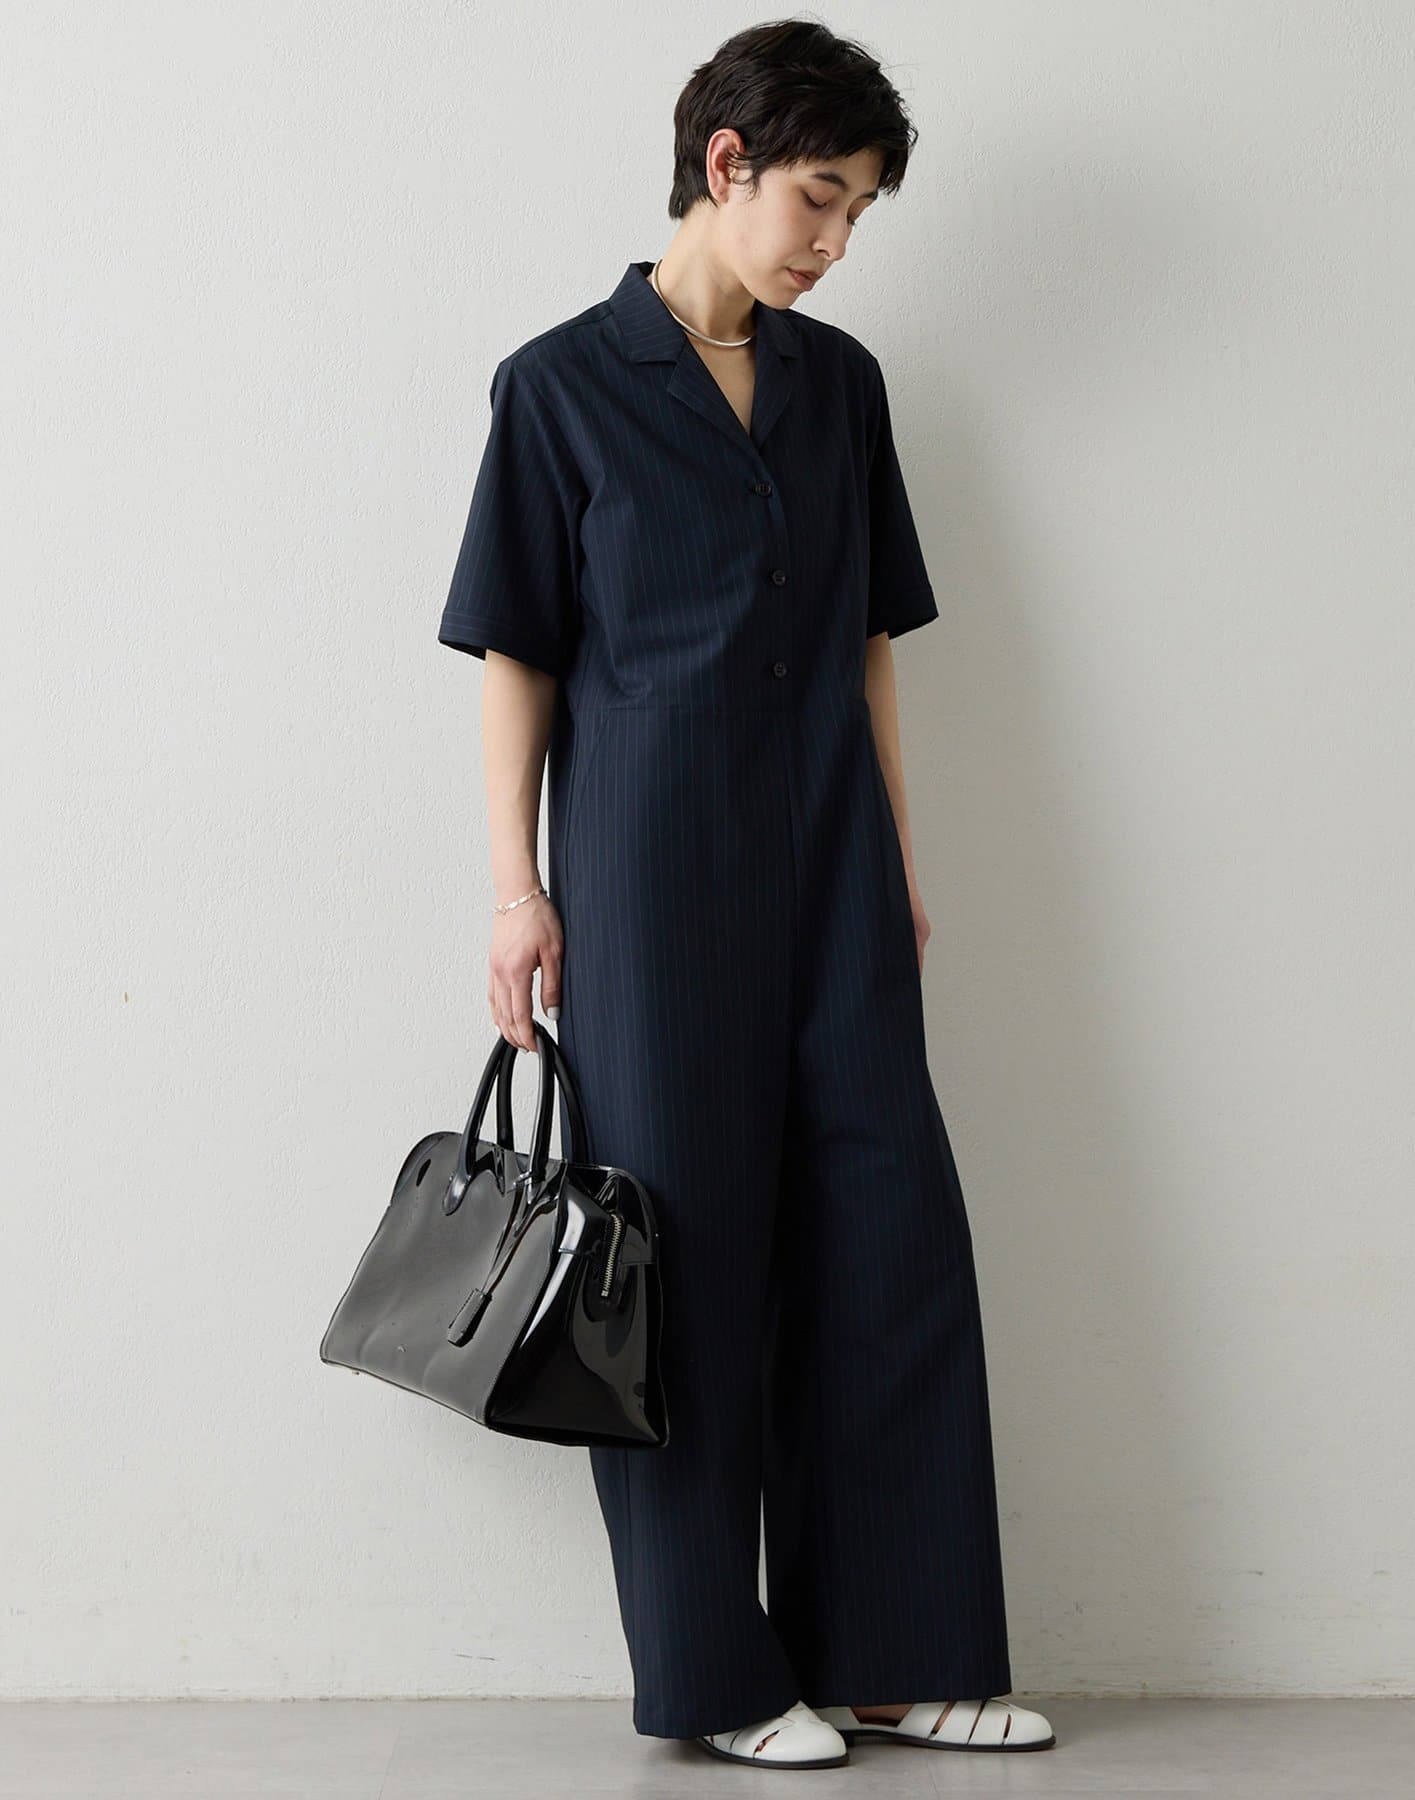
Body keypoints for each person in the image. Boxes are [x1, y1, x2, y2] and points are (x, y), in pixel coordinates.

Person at [437, 17, 1057, 1771]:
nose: (836, 241)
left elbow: (868, 643)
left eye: (858, 212)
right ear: (728, 163)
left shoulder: (840, 386)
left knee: (890, 1238)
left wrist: (901, 857)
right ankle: (718, 1680)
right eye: (821, 198)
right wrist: (516, 891)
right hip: (647, 878)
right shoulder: (558, 386)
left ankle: (897, 1654)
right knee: (682, 1257)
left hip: (836, 861)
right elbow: (516, 652)